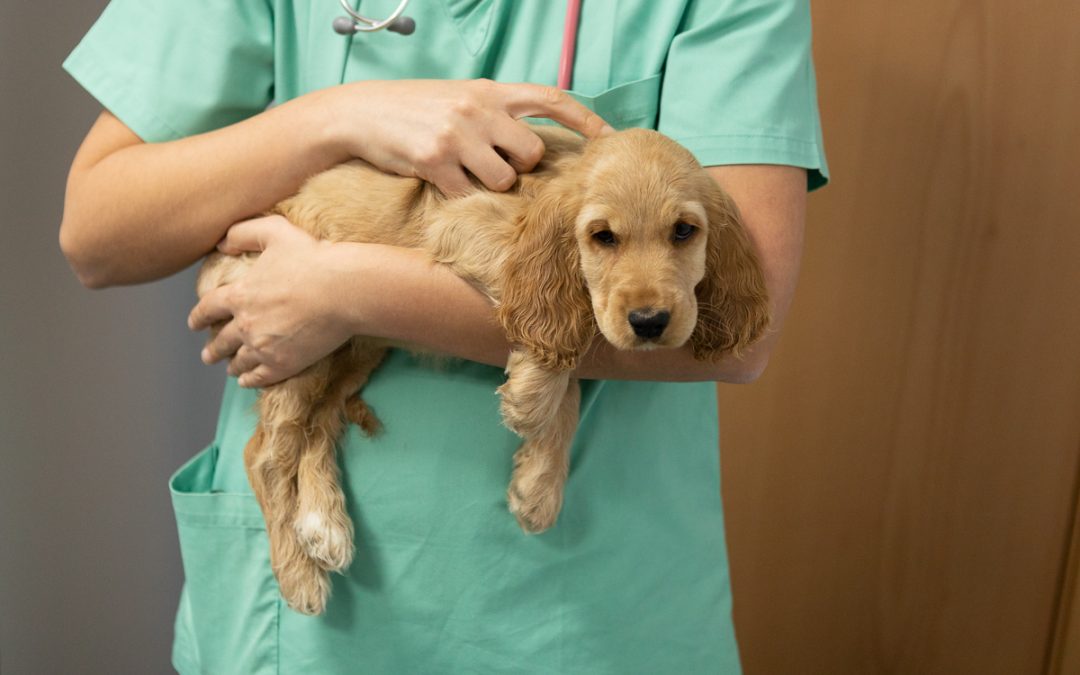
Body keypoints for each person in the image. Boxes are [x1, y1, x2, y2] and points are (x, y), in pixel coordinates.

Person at [60, 1, 828, 672]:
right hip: (307, 632)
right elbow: (98, 230)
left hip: (583, 613)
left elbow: (734, 331)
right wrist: (337, 118)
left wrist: (342, 288)